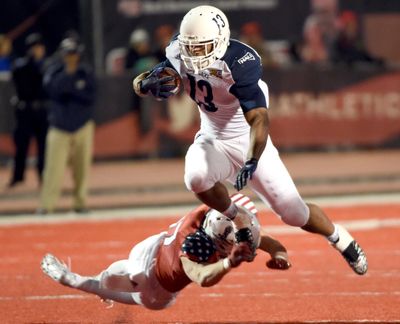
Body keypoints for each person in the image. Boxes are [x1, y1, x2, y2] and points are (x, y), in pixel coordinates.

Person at [132, 5, 368, 275]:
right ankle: (239, 217)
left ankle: (340, 238)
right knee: (195, 177)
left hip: (248, 139)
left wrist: (252, 159)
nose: (194, 55)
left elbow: (259, 119)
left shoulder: (240, 61)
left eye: (202, 48)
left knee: (294, 214)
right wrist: (142, 84)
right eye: (190, 48)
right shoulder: (179, 50)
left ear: (220, 41)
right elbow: (160, 75)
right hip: (213, 138)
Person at [41, 194, 291, 310]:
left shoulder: (215, 216)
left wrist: (280, 256)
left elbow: (269, 242)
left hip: (154, 267)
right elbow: (203, 277)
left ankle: (84, 281)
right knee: (118, 280)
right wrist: (228, 264)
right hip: (157, 271)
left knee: (119, 277)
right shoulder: (196, 244)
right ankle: (85, 282)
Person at [37, 37, 95, 214]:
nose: (71, 57)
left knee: (82, 168)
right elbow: (52, 90)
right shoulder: (54, 71)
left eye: (73, 53)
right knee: (53, 169)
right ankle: (47, 205)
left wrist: (71, 89)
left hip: (82, 125)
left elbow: (90, 96)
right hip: (59, 126)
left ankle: (80, 203)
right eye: (67, 53)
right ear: (62, 54)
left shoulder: (85, 72)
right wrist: (70, 78)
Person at [8, 33, 48, 188]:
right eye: (34, 47)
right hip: (25, 111)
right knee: (21, 145)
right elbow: (17, 74)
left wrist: (39, 63)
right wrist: (32, 61)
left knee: (43, 147)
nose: (38, 50)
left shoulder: (46, 65)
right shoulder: (22, 65)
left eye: (39, 46)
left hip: (41, 111)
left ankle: (43, 176)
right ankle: (18, 177)